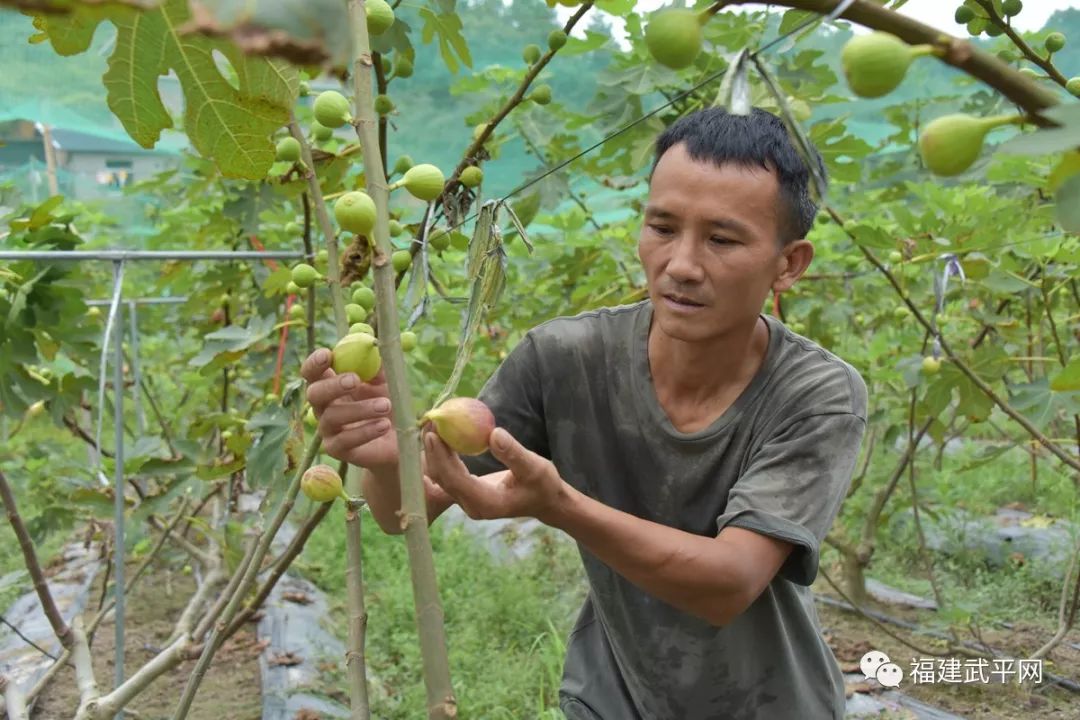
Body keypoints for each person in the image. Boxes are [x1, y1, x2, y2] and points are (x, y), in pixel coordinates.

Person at [301, 106, 868, 720]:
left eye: (722, 239)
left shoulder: (817, 394)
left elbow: (729, 582)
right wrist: (388, 460)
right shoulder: (564, 357)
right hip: (609, 699)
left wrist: (559, 505)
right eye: (661, 227)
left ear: (789, 264)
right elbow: (404, 510)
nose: (680, 264)